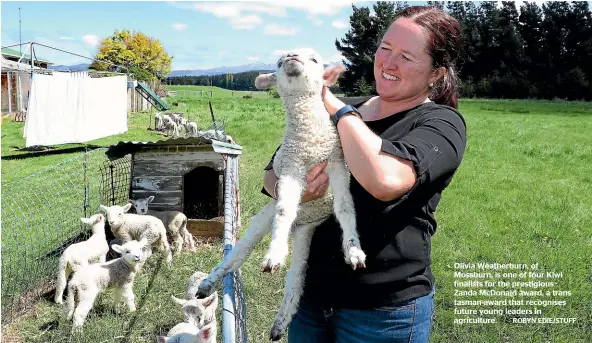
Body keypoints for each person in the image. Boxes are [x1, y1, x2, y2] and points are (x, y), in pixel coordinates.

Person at [261, 5, 467, 343]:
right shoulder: (342, 107)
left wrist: (340, 111)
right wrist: (294, 190)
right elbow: (273, 173)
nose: (388, 62)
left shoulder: (441, 124)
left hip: (383, 312)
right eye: (385, 49)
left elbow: (384, 182)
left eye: (406, 56)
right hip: (310, 301)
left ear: (436, 74)